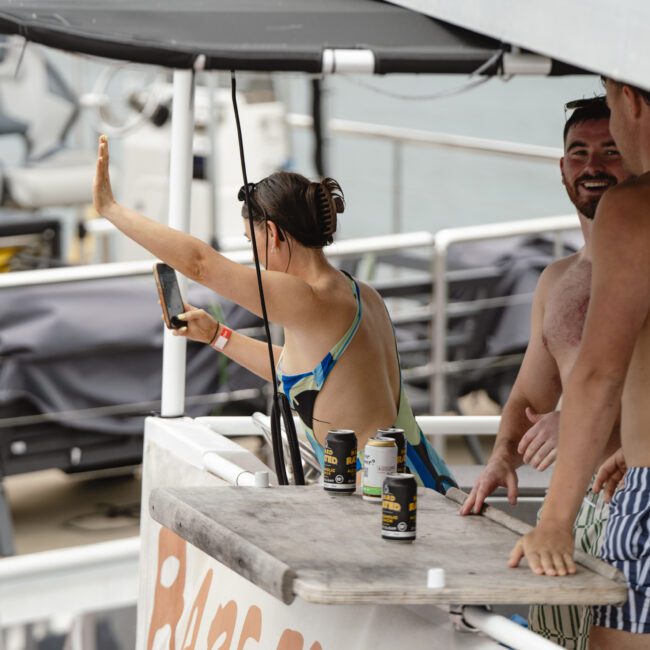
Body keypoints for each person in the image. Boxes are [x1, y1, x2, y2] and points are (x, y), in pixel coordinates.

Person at [92, 135, 456, 494]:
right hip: (421, 480)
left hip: (384, 500)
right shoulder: (358, 294)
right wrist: (217, 334)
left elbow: (200, 264)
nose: (256, 257)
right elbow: (303, 373)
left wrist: (111, 208)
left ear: (273, 233)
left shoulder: (307, 297)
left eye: (252, 243)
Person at [460, 98, 630, 649]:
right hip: (572, 509)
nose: (594, 166)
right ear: (562, 169)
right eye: (579, 153)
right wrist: (501, 455)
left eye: (611, 150)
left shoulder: (644, 264)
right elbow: (528, 394)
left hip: (633, 496)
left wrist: (576, 419)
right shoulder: (559, 280)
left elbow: (610, 382)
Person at [509, 78, 650, 649]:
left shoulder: (635, 209)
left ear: (630, 98)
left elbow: (599, 372)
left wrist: (555, 521)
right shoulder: (556, 279)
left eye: (612, 106)